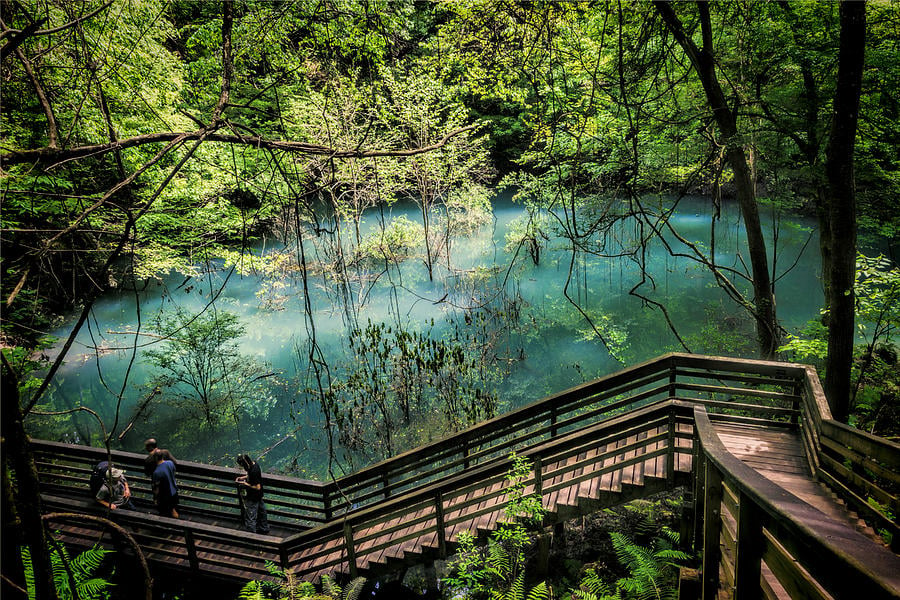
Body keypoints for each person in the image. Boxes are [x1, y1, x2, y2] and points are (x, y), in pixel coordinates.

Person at [235, 454, 269, 534]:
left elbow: (258, 487)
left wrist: (245, 484)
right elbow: (250, 475)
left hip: (253, 496)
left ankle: (251, 536)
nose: (242, 467)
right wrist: (243, 478)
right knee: (262, 513)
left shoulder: (254, 471)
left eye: (242, 465)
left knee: (250, 517)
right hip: (259, 496)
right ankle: (263, 529)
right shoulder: (254, 464)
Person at [151, 449, 179, 518]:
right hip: (174, 493)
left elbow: (156, 488)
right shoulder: (170, 463)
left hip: (165, 497)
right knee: (173, 510)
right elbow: (174, 471)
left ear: (155, 458)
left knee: (164, 513)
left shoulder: (157, 472)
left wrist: (155, 499)